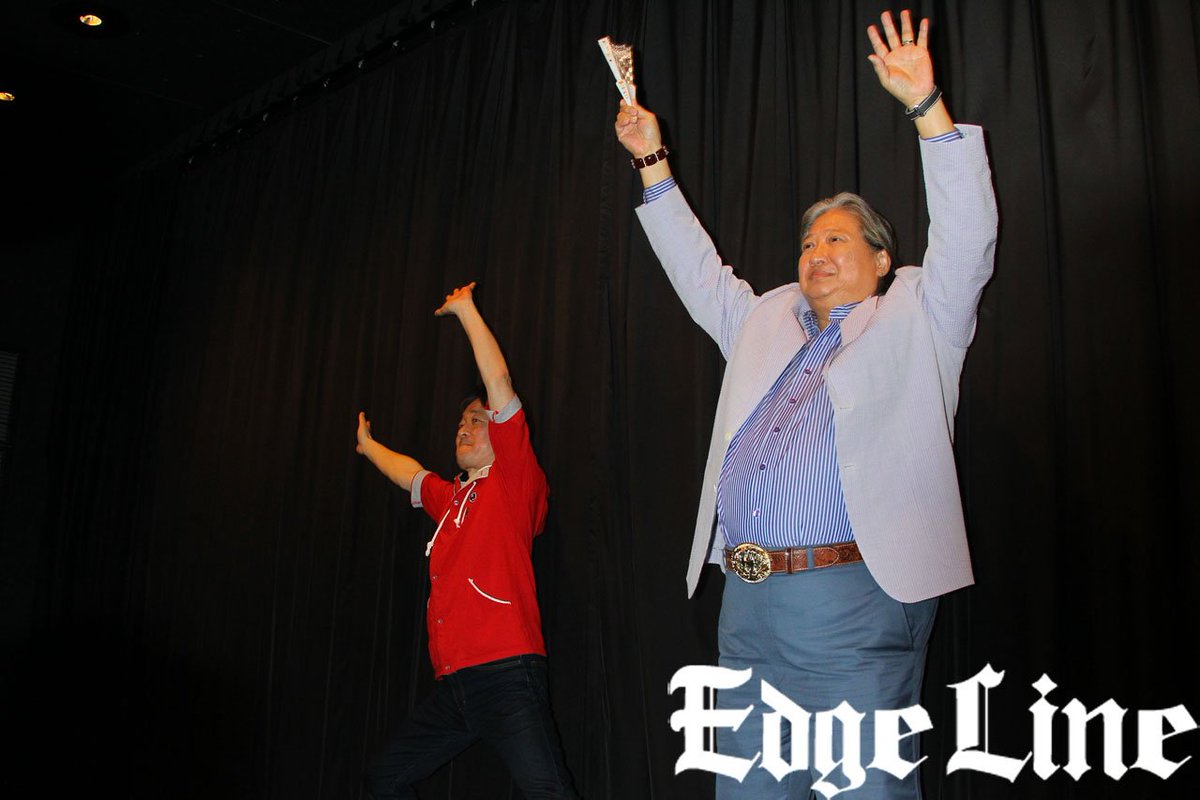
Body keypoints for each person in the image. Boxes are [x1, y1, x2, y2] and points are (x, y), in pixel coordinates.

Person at [615, 9, 997, 799]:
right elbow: (699, 274)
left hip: (852, 603)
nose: (817, 252)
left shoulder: (919, 314)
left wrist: (928, 110)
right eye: (808, 242)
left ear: (882, 259)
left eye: (837, 240)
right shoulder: (765, 322)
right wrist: (651, 160)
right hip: (748, 605)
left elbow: (968, 237)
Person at [356, 282, 577, 799]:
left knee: (548, 793)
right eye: (460, 422)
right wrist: (368, 447)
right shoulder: (453, 498)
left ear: (499, 430)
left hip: (506, 676)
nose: (464, 428)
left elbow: (498, 381)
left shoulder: (514, 480)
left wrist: (465, 311)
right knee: (385, 778)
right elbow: (410, 474)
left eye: (476, 421)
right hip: (456, 687)